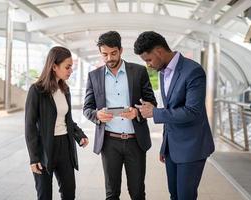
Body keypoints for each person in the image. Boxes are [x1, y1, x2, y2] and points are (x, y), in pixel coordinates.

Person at [134, 31, 215, 200]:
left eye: (148, 60)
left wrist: (155, 112)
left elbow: (192, 111)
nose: (148, 65)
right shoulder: (163, 72)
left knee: (185, 197)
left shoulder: (193, 71)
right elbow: (172, 108)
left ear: (159, 51)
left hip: (192, 147)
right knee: (174, 195)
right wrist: (165, 146)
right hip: (172, 148)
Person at [83, 31, 157, 200]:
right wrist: (97, 115)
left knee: (137, 192)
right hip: (109, 143)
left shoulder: (139, 72)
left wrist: (137, 112)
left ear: (121, 50)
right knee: (111, 193)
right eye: (105, 54)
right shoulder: (93, 76)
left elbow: (152, 103)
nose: (109, 58)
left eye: (113, 53)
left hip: (135, 142)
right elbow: (87, 108)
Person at [25, 46, 89, 200]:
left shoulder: (65, 90)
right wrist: (34, 158)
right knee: (44, 195)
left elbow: (67, 119)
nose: (70, 71)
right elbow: (30, 126)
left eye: (71, 67)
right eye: (67, 67)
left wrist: (79, 135)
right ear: (54, 66)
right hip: (44, 148)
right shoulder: (37, 90)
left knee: (69, 192)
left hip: (64, 147)